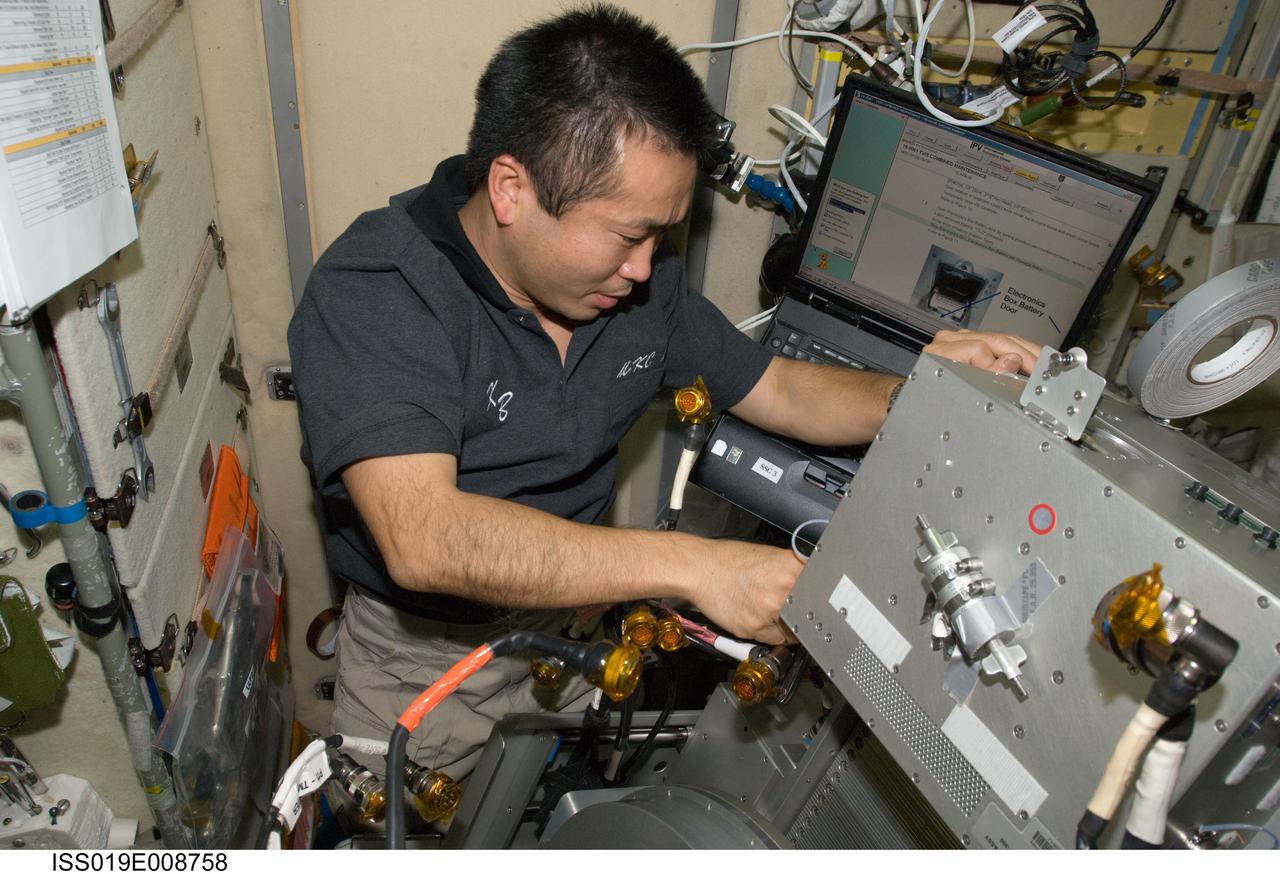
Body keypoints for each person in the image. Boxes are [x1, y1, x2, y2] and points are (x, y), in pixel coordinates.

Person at [287, 3, 1039, 782]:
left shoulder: (633, 290)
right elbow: (426, 539)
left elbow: (775, 386)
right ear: (511, 188)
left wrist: (925, 390)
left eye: (664, 235)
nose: (646, 269)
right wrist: (699, 568)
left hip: (574, 617)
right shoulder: (379, 289)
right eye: (628, 235)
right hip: (424, 655)